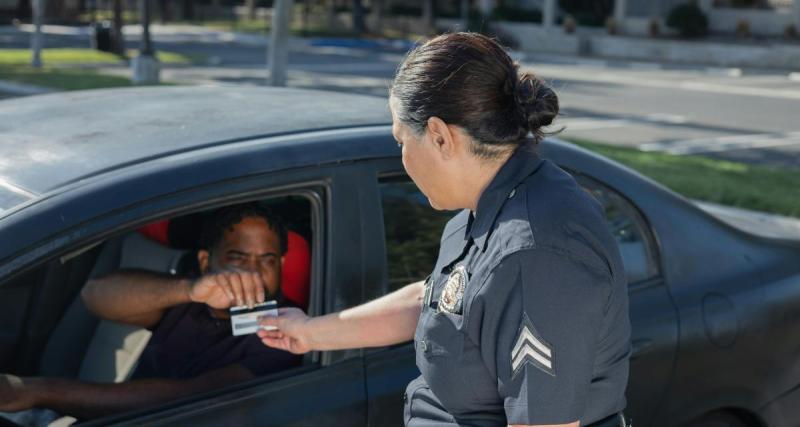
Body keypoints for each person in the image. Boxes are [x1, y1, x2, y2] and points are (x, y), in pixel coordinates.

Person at [258, 32, 631, 427]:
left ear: (439, 136)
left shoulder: (533, 254)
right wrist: (308, 333)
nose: (401, 156)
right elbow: (439, 300)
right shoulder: (490, 206)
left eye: (401, 140)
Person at [0, 203, 301, 423]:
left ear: (282, 266)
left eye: (267, 260)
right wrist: (190, 290)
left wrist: (39, 390)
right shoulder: (194, 294)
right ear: (206, 261)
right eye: (238, 258)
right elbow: (95, 295)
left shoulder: (286, 328)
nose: (251, 272)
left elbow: (188, 398)